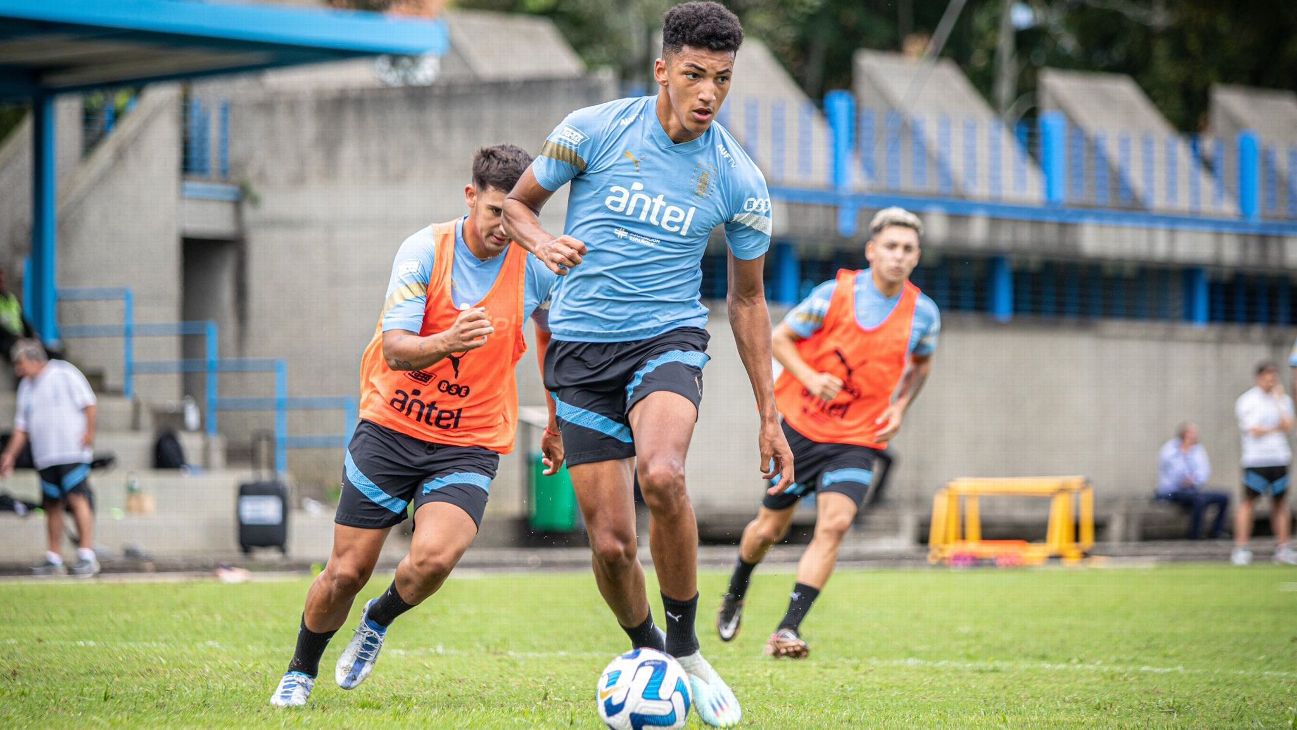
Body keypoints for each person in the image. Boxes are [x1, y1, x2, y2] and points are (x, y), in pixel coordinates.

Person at [502, 3, 793, 725]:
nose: (706, 94)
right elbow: (515, 205)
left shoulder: (738, 179)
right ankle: (650, 649)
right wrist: (539, 240)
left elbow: (748, 303)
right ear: (662, 70)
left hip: (666, 339)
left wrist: (769, 413)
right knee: (608, 544)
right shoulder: (593, 130)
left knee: (661, 475)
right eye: (693, 75)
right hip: (578, 348)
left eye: (721, 80)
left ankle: (688, 651)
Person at [269, 145, 563, 707]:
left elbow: (554, 345)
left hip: (468, 442)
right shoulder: (424, 250)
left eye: (519, 214)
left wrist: (556, 422)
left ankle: (379, 619)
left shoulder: (538, 267)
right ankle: (301, 668)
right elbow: (398, 349)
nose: (506, 227)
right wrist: (448, 342)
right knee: (346, 572)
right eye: (496, 212)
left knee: (431, 560)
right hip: (390, 428)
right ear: (471, 197)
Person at [714, 207, 938, 659]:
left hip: (859, 438)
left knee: (834, 525)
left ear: (916, 257)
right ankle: (737, 588)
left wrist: (898, 407)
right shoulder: (833, 294)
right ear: (872, 251)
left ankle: (787, 630)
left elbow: (921, 364)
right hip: (803, 427)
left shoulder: (924, 314)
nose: (898, 256)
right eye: (891, 246)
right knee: (768, 529)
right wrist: (812, 379)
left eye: (908, 249)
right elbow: (779, 339)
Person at [0, 339, 99, 576]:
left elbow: (89, 403)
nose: (18, 369)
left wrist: (89, 433)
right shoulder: (26, 387)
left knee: (77, 498)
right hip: (45, 456)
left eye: (21, 363)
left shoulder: (64, 373)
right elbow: (21, 427)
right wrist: (10, 455)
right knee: (51, 505)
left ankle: (86, 555)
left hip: (71, 452)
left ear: (34, 359)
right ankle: (54, 557)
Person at [1232, 362, 1296, 566]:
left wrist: (1278, 402)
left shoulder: (1282, 399)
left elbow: (1288, 426)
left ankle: (1283, 548)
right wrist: (1275, 428)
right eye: (1268, 376)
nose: (1272, 381)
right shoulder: (1247, 400)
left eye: (1274, 376)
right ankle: (1241, 548)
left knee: (1280, 503)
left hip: (1279, 458)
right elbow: (1254, 430)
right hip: (1256, 459)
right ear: (1259, 377)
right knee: (1248, 502)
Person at [1155, 422, 1229, 539]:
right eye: (1193, 433)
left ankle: (1216, 532)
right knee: (1199, 500)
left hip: (1192, 490)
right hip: (1171, 492)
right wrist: (1184, 478)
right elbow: (1170, 473)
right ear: (1185, 434)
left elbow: (1204, 471)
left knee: (1224, 497)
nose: (1196, 436)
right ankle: (1195, 536)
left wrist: (1194, 480)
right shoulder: (1169, 449)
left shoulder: (1198, 450)